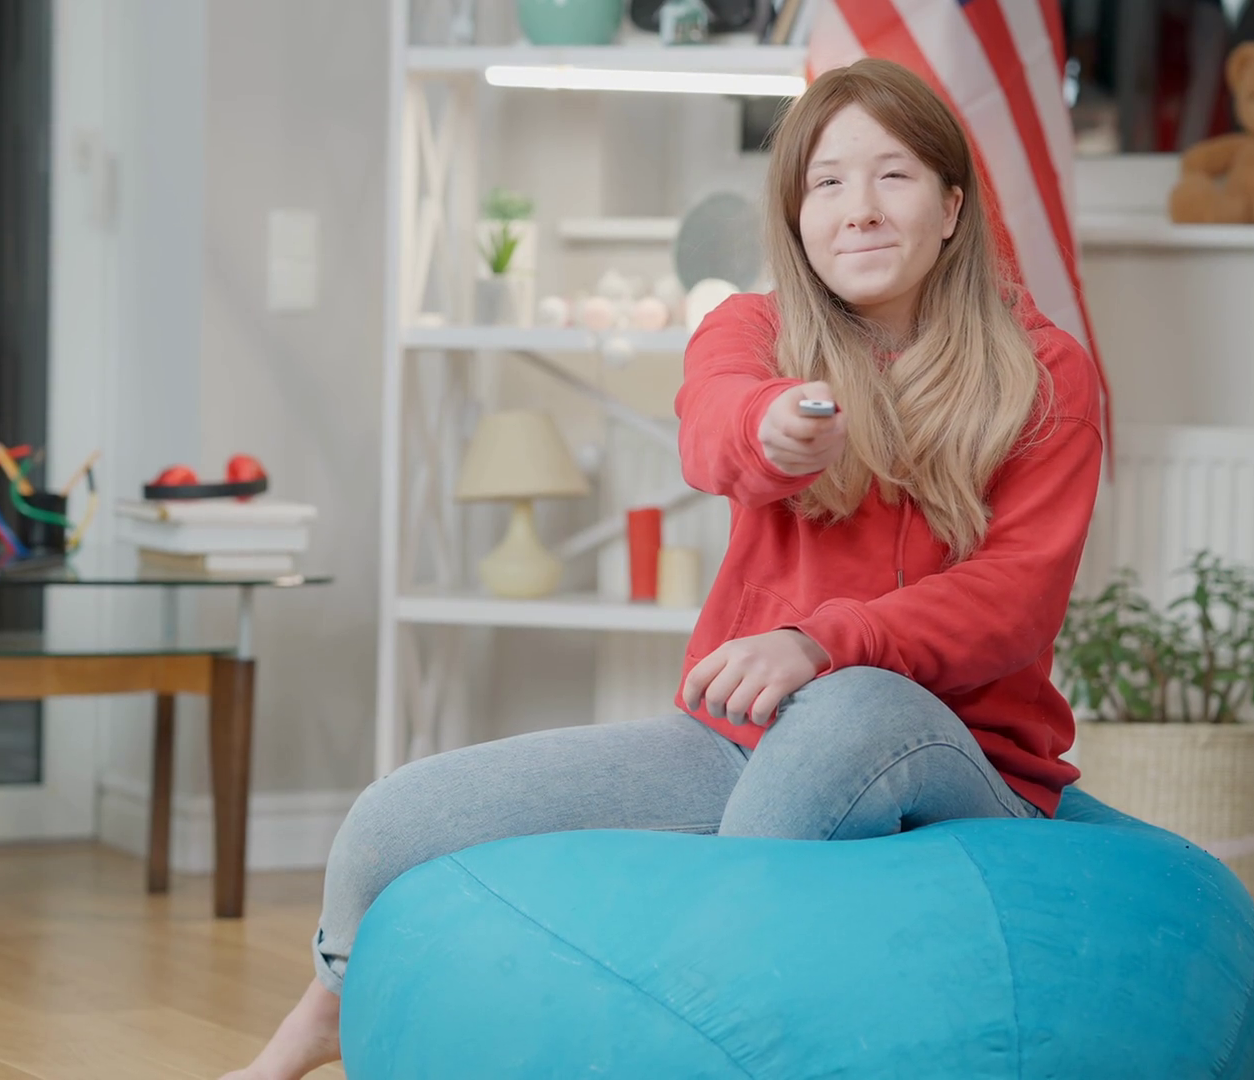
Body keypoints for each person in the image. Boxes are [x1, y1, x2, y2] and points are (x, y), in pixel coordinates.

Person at [221, 56, 1104, 1080]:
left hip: (960, 755)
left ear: (952, 207)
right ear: (796, 215)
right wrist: (770, 431)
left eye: (893, 176)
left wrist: (821, 642)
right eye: (827, 182)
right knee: (396, 819)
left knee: (848, 706)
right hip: (743, 740)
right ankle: (326, 1009)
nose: (859, 208)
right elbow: (713, 425)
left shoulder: (1044, 373)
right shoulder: (753, 332)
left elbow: (1014, 601)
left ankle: (696, 1035)